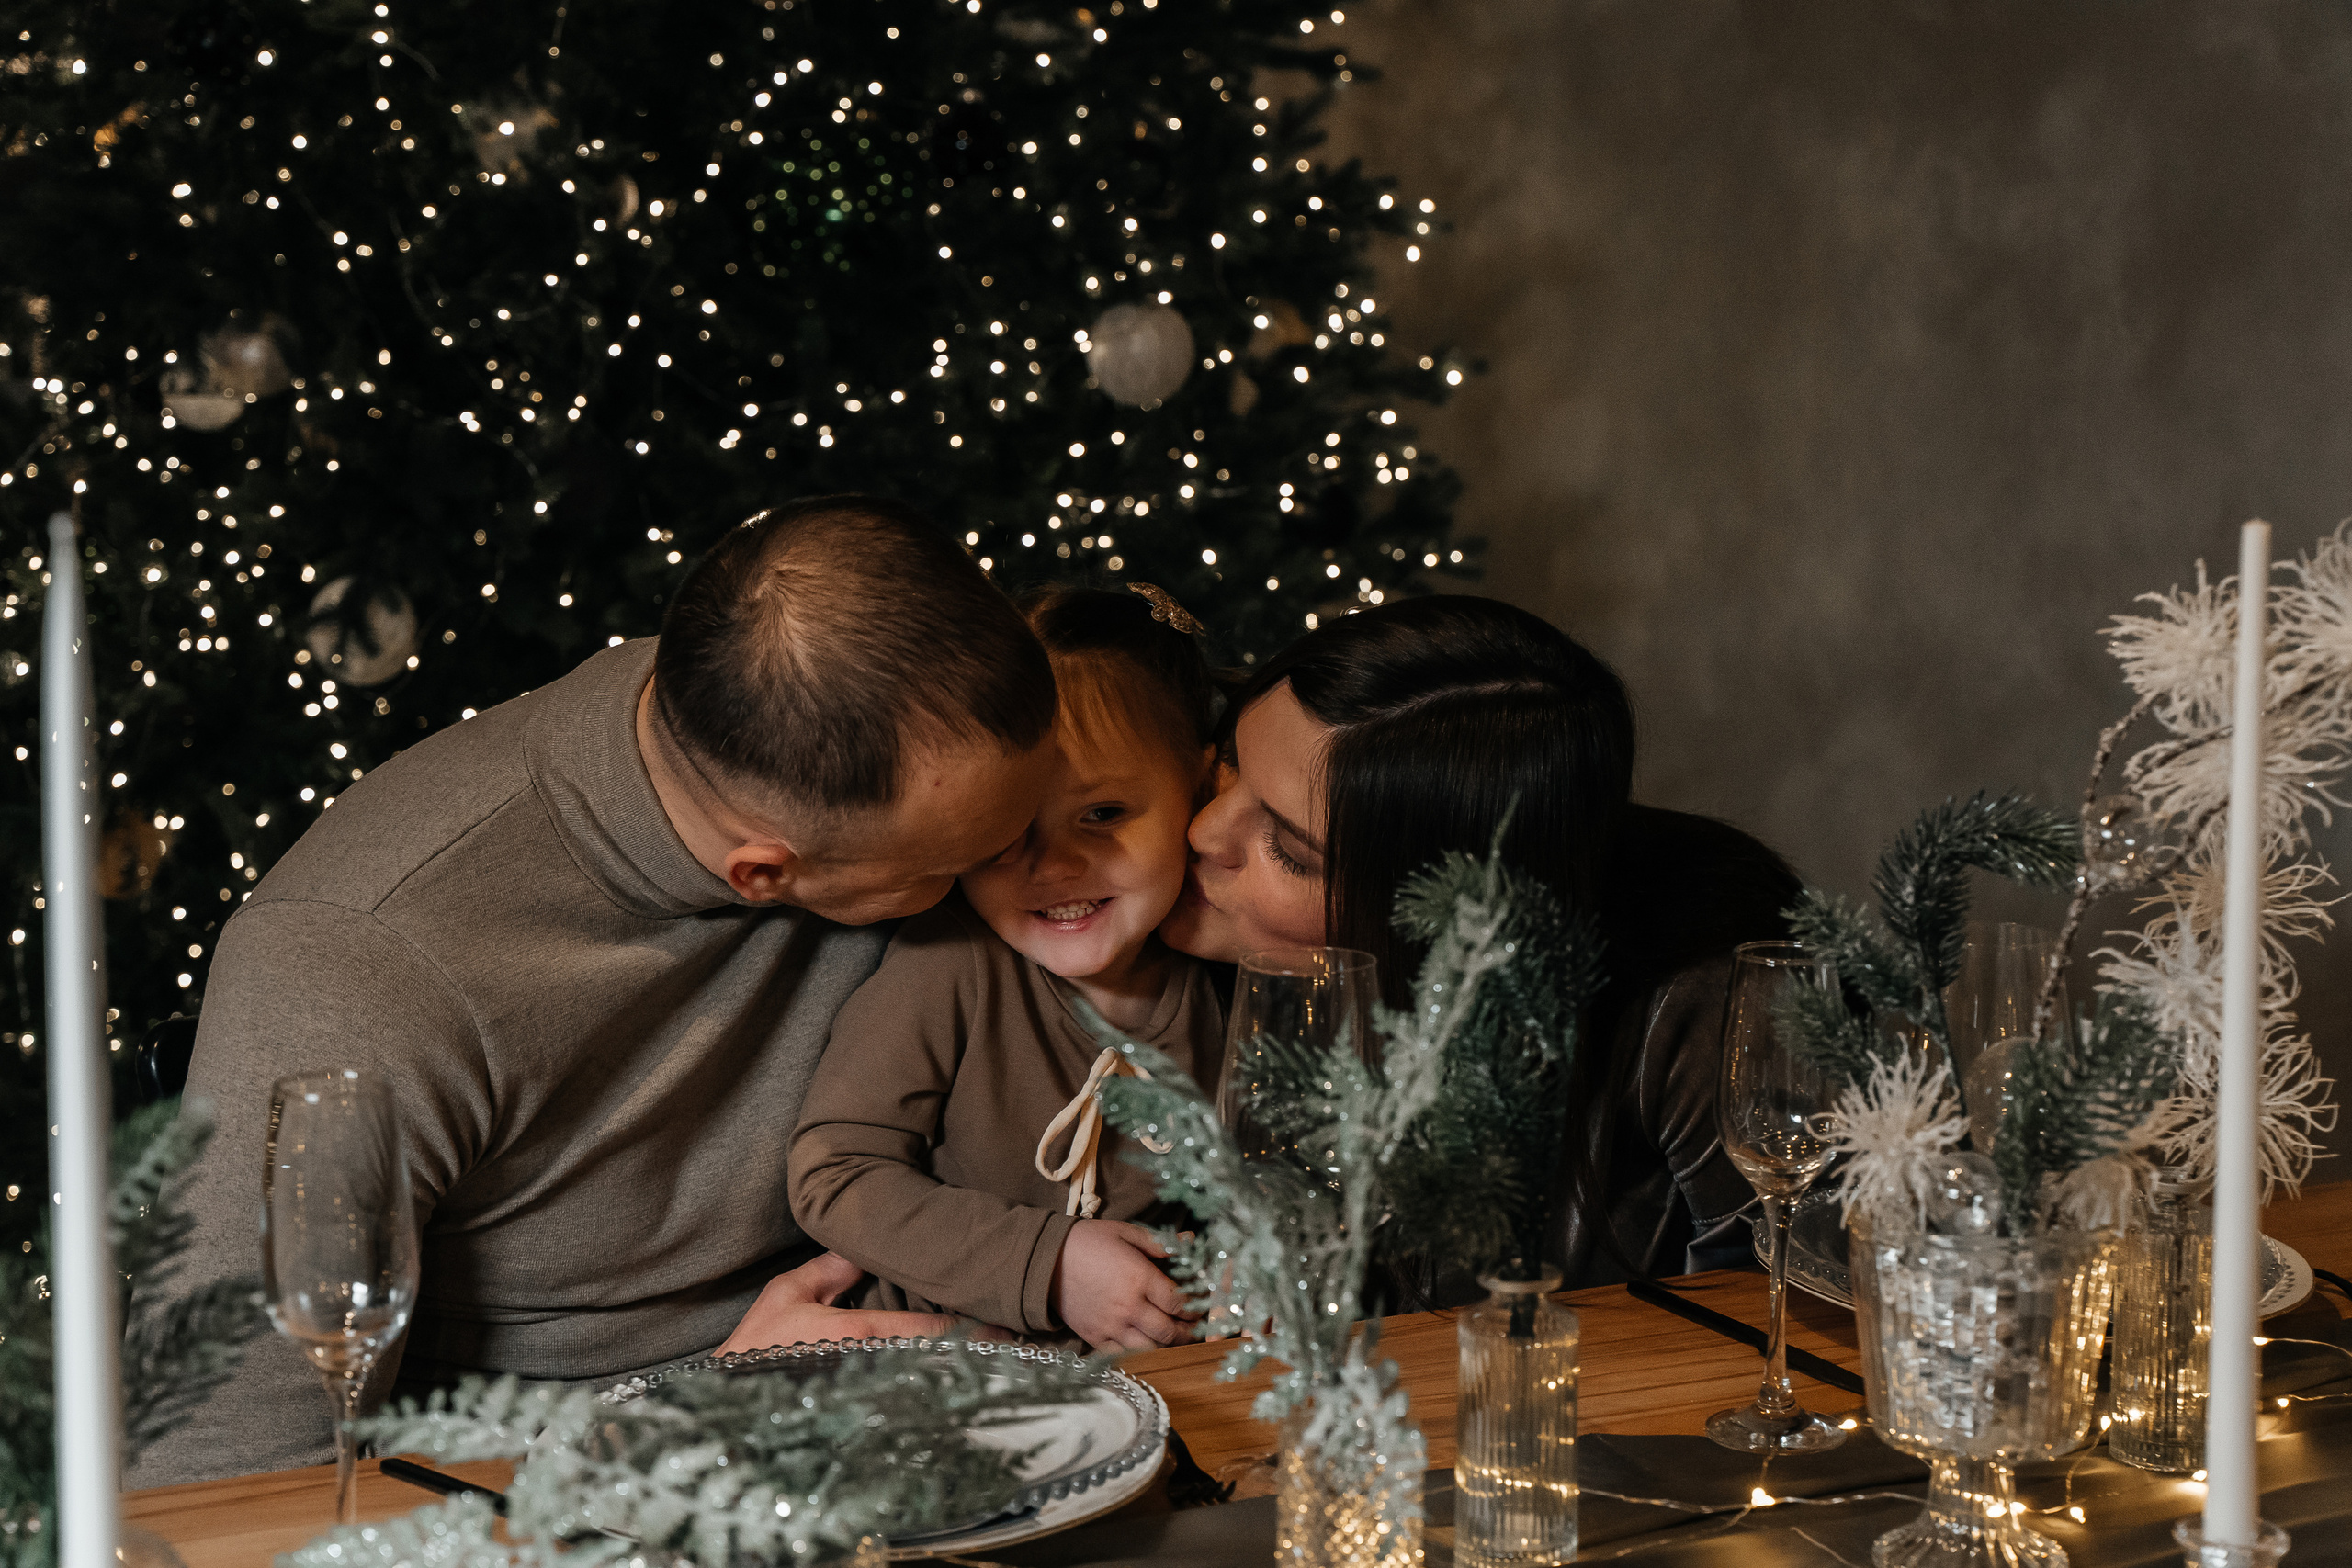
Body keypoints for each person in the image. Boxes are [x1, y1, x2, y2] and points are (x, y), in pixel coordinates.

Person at [132, 497, 1060, 1487]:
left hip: (944, 1404)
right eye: (981, 855)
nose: (1037, 866)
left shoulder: (796, 723)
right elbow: (218, 1476)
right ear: (762, 874)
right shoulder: (359, 961)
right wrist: (682, 1425)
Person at [1159, 595, 1800, 1289]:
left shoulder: (1703, 997)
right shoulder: (1116, 912)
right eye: (1229, 760)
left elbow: (1786, 1322)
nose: (1204, 830)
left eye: (1288, 848)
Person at [785, 585, 1222, 1354]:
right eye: (1006, 832)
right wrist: (1050, 1264)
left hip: (1155, 1386)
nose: (1053, 866)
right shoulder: (949, 962)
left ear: (1202, 785)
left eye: (1103, 813)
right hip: (936, 1375)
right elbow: (837, 1173)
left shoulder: (1229, 976)